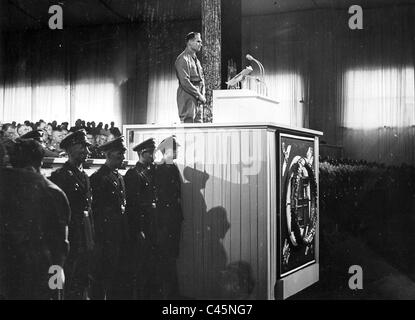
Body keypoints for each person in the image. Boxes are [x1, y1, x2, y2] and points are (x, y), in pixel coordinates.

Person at [0, 139, 70, 299]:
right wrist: (56, 287)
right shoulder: (53, 192)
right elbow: (60, 248)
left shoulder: (4, 187)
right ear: (40, 160)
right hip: (40, 274)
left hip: (7, 276)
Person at [49, 129, 95, 300]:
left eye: (87, 148)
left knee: (81, 277)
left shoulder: (84, 176)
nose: (87, 152)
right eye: (82, 147)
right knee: (63, 277)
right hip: (68, 236)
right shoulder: (59, 176)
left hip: (83, 234)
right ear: (69, 150)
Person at [90, 136, 130, 299]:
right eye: (118, 155)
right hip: (105, 236)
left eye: (122, 155)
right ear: (108, 155)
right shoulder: (98, 178)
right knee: (102, 276)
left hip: (118, 234)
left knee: (116, 275)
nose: (122, 159)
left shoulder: (119, 177)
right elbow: (96, 211)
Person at [124, 138, 160, 299]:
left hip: (152, 223)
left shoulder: (152, 171)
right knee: (141, 266)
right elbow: (133, 205)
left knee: (152, 265)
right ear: (142, 153)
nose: (153, 155)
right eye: (150, 152)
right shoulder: (133, 174)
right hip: (142, 224)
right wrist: (138, 229)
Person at [154, 135, 183, 299]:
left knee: (171, 258)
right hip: (166, 223)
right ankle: (167, 295)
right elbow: (163, 199)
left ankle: (171, 293)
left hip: (172, 221)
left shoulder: (172, 168)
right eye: (175, 148)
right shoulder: (162, 169)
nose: (177, 151)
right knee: (166, 259)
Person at [175, 32, 206, 123]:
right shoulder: (182, 59)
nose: (201, 44)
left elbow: (202, 79)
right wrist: (199, 95)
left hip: (198, 97)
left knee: (198, 125)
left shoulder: (197, 60)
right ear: (189, 42)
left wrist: (202, 94)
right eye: (198, 41)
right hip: (188, 95)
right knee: (188, 124)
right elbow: (185, 82)